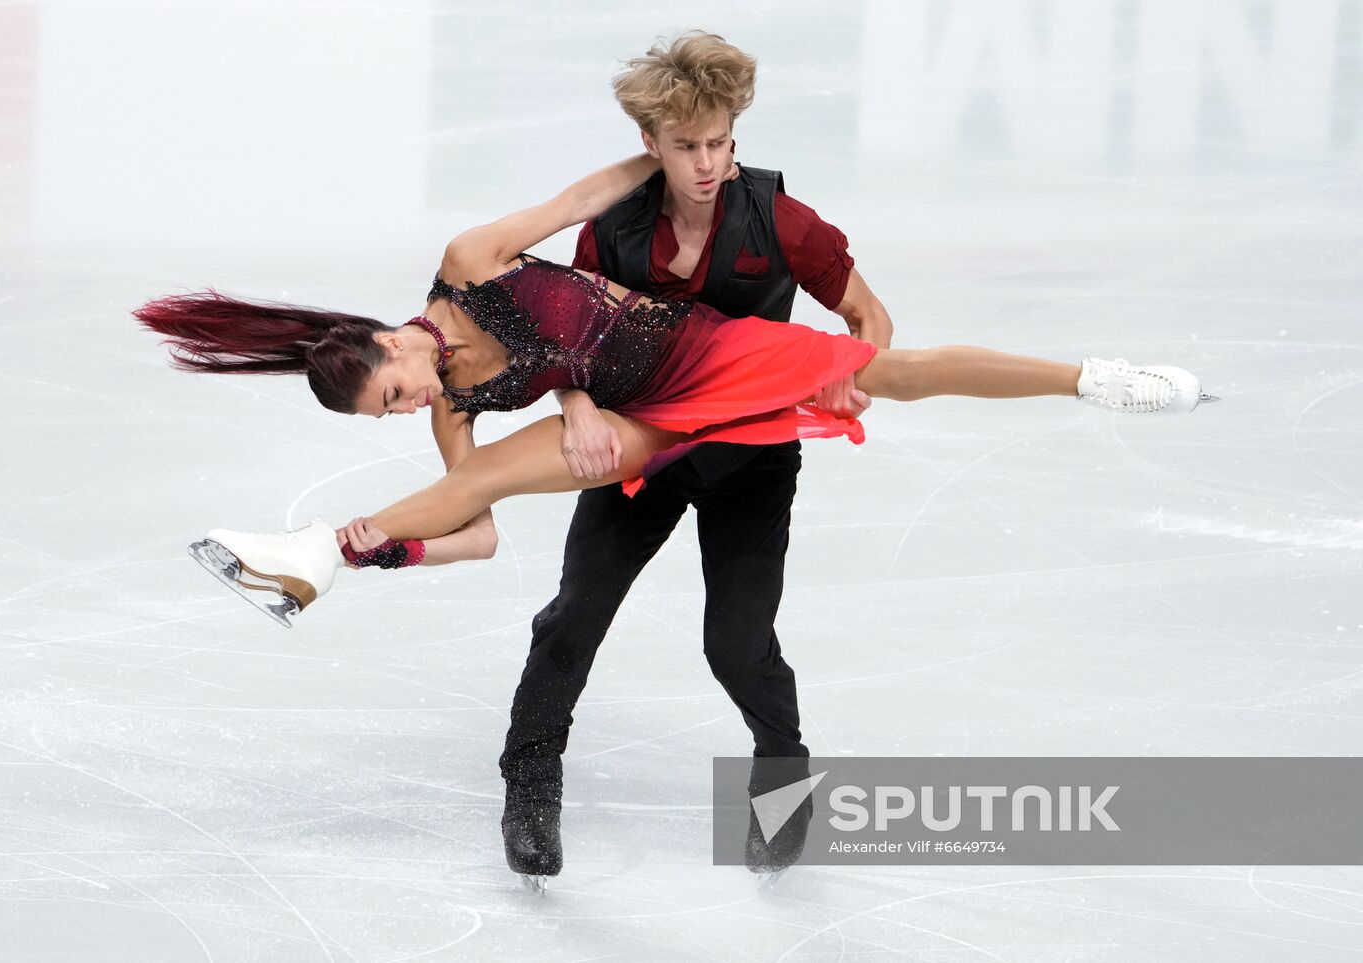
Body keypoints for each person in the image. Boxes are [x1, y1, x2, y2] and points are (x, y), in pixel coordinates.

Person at [138, 120, 1211, 891]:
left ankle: (1094, 378)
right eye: (388, 415)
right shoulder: (451, 412)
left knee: (766, 594)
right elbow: (476, 528)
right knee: (552, 593)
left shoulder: (471, 266)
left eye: (390, 392)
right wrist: (395, 550)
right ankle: (355, 583)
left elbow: (574, 206)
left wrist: (659, 145)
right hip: (635, 431)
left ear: (388, 340)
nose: (405, 407)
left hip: (707, 367)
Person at [496, 32, 895, 886]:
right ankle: (529, 780)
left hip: (751, 455)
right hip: (646, 446)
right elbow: (570, 337)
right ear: (651, 143)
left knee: (738, 644)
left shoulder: (781, 220)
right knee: (576, 613)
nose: (708, 162)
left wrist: (845, 375)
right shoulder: (615, 226)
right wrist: (576, 407)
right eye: (687, 146)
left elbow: (869, 317)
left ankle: (783, 773)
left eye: (720, 142)